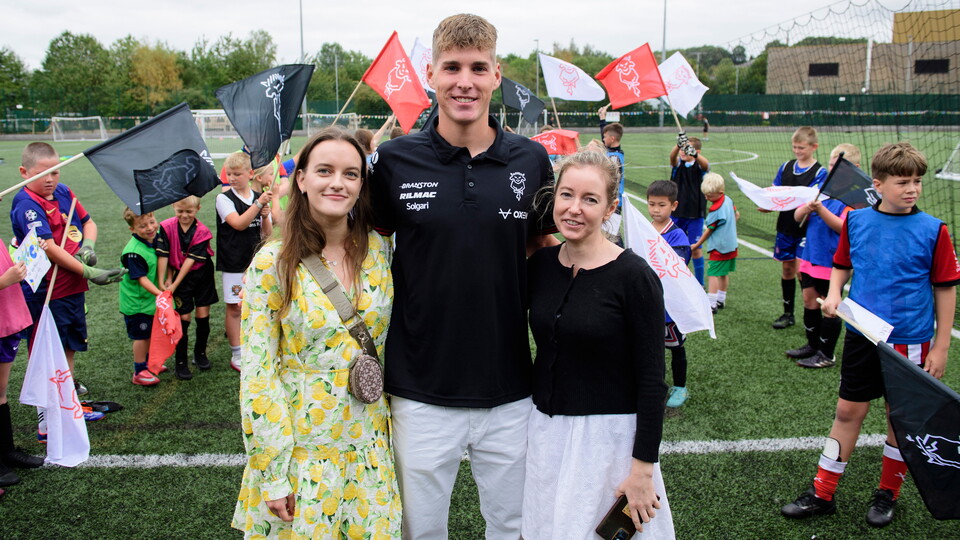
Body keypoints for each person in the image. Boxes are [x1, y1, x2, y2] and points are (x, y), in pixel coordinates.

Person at [368, 13, 557, 539]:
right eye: (452, 67)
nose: (464, 81)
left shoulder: (532, 159)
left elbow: (543, 248)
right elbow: (365, 249)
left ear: (497, 75)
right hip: (420, 388)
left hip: (511, 387)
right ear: (431, 74)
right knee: (420, 531)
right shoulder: (394, 160)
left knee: (515, 527)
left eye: (478, 68)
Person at [232, 128, 400, 539]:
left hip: (370, 447)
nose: (337, 183)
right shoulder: (273, 262)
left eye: (351, 174)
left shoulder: (379, 252)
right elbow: (257, 371)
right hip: (302, 454)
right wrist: (273, 472)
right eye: (324, 170)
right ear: (301, 179)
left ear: (362, 186)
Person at [781, 142, 960, 528]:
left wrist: (941, 345)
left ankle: (887, 494)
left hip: (910, 341)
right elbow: (841, 264)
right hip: (863, 333)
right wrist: (832, 293)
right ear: (877, 184)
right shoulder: (857, 222)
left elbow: (945, 287)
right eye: (902, 182)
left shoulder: (934, 230)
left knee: (899, 419)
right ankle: (822, 492)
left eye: (916, 182)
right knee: (848, 411)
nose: (912, 189)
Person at [523, 150, 673, 539]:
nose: (575, 209)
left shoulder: (634, 276)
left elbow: (652, 380)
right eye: (567, 195)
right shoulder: (541, 266)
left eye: (590, 199)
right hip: (546, 432)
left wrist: (642, 469)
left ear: (610, 208)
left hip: (608, 442)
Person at [10, 142, 126, 401]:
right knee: (47, 347)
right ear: (24, 172)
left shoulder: (64, 192)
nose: (50, 180)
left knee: (71, 342)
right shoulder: (26, 204)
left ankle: (66, 390)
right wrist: (89, 272)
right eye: (43, 174)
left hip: (72, 286)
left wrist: (87, 246)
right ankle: (48, 400)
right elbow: (49, 248)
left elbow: (88, 222)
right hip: (47, 290)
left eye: (55, 172)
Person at [787, 144, 859, 369]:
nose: (833, 169)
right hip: (810, 255)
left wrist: (821, 210)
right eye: (831, 165)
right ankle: (812, 345)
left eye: (840, 166)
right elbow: (797, 215)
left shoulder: (853, 196)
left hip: (832, 261)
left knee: (830, 306)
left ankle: (826, 354)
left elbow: (844, 227)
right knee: (809, 299)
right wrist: (805, 209)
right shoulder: (820, 188)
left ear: (854, 168)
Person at [216, 151, 273, 371]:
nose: (231, 178)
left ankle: (253, 346)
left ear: (250, 174)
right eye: (229, 174)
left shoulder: (257, 196)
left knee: (256, 304)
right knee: (235, 308)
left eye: (237, 174)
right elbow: (238, 223)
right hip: (233, 262)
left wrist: (266, 214)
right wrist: (259, 206)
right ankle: (236, 353)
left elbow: (266, 234)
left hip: (255, 260)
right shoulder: (224, 198)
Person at [0, 211, 44, 488]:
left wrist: (26, 256)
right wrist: (5, 280)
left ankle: (6, 451)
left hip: (6, 319)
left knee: (0, 393)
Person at [767, 126, 827, 329]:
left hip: (807, 230)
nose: (797, 151)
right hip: (785, 227)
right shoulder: (786, 167)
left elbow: (817, 201)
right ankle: (787, 313)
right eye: (794, 147)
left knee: (803, 271)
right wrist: (766, 204)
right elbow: (775, 193)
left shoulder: (820, 172)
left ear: (813, 147)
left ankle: (810, 312)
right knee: (787, 269)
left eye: (801, 147)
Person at [156, 196, 217, 380]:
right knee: (183, 317)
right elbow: (164, 254)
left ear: (197, 209)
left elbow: (190, 261)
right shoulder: (166, 227)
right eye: (180, 211)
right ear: (174, 206)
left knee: (202, 314)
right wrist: (164, 280)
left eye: (189, 212)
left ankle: (200, 354)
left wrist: (174, 283)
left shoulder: (202, 232)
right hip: (179, 276)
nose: (184, 215)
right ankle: (180, 362)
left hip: (201, 274)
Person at [647, 181, 693, 408]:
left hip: (670, 307)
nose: (655, 209)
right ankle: (655, 385)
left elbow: (677, 268)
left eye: (661, 205)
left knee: (675, 347)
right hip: (648, 302)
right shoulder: (643, 229)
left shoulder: (677, 236)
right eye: (652, 204)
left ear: (673, 206)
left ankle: (681, 387)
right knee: (651, 348)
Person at [119, 208, 163, 386]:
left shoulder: (156, 237)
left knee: (151, 333)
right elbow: (141, 279)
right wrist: (160, 293)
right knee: (141, 336)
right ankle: (139, 371)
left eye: (152, 222)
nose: (150, 228)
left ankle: (150, 363)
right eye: (143, 226)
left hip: (148, 302)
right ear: (133, 230)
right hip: (136, 304)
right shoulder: (133, 252)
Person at [691, 172, 738, 313]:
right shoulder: (728, 200)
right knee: (723, 272)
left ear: (720, 192)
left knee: (713, 273)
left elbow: (709, 231)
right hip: (731, 245)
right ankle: (721, 299)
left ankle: (711, 303)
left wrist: (697, 244)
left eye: (709, 196)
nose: (707, 198)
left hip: (720, 247)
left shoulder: (715, 210)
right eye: (705, 195)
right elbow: (737, 214)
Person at [669, 134, 710, 286]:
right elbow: (672, 157)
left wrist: (693, 153)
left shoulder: (700, 167)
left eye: (687, 149)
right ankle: (677, 281)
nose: (683, 152)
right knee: (674, 248)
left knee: (696, 249)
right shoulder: (677, 165)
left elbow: (706, 164)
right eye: (683, 149)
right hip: (677, 214)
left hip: (695, 215)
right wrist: (678, 145)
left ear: (696, 151)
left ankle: (699, 284)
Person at [597, 104, 626, 209]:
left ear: (612, 139)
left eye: (605, 137)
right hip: (609, 201)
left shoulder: (615, 158)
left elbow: (611, 181)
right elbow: (605, 137)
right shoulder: (613, 151)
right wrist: (602, 118)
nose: (603, 139)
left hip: (613, 203)